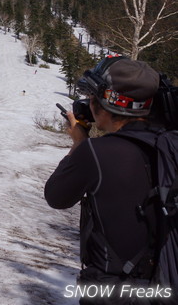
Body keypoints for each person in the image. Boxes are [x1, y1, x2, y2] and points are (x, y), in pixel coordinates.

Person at [44, 55, 163, 304]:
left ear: (103, 103)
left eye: (91, 98)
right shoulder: (169, 145)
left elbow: (56, 196)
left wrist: (79, 142)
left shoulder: (96, 152)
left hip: (112, 289)